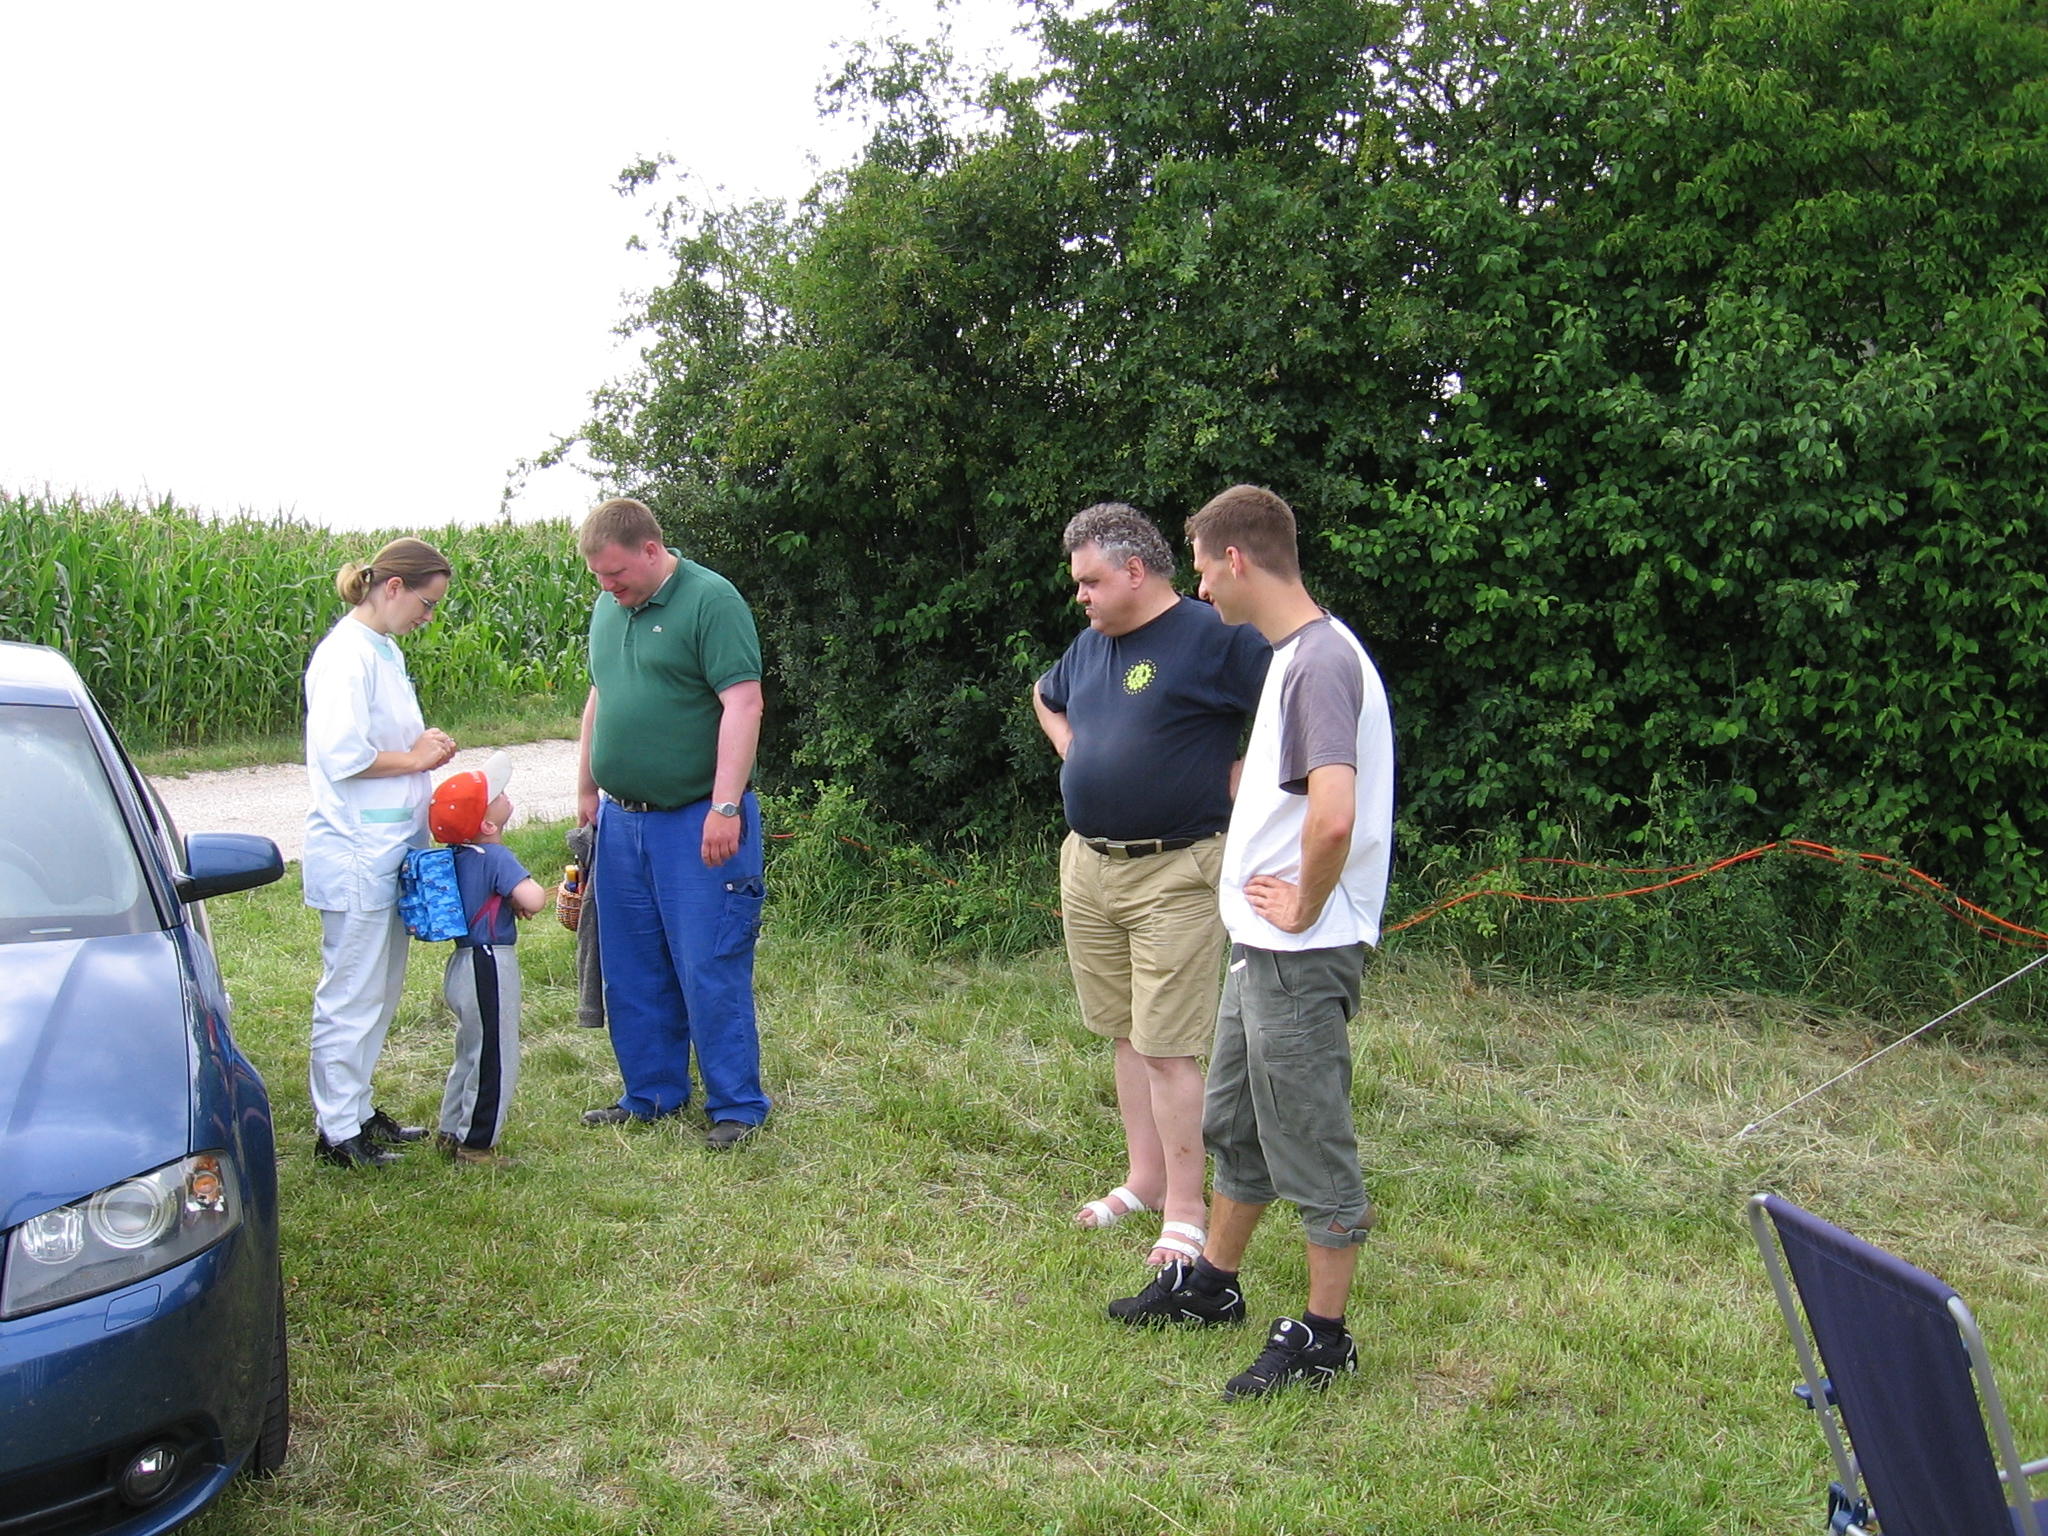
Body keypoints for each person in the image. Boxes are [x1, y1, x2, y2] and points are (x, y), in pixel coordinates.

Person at [1107, 484, 1394, 1402]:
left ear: (1236, 559)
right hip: (1260, 946)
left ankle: (1325, 1338)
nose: (1200, 591)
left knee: (1309, 1136)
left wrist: (1306, 903)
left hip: (1299, 954)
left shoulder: (1320, 664)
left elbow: (1335, 814)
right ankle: (1214, 1287)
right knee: (1236, 1121)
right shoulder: (1295, 657)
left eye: (1201, 570)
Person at [1033, 503, 1268, 1267]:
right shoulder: (1089, 645)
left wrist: (1246, 776)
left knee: (1168, 1047)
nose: (1080, 595)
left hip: (1176, 871)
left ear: (1135, 570)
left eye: (1090, 580)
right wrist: (1075, 752)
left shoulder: (1216, 636)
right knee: (1126, 1034)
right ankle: (1145, 1180)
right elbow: (1045, 695)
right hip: (1089, 865)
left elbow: (1299, 705)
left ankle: (1188, 1212)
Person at [574, 498, 770, 1150]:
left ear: (652, 551)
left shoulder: (712, 601)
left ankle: (736, 1106)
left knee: (709, 964)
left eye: (617, 574)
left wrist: (725, 805)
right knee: (631, 968)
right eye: (599, 577)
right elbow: (600, 695)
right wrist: (587, 787)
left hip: (695, 820)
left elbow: (744, 703)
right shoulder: (609, 608)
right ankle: (651, 1094)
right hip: (622, 823)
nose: (609, 587)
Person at [302, 537, 459, 1169]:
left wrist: (424, 744)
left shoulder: (383, 650)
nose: (428, 616)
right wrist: (416, 758)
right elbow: (344, 755)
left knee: (381, 989)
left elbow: (387, 739)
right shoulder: (345, 656)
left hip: (390, 845)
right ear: (393, 587)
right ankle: (337, 1132)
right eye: (426, 603)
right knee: (352, 992)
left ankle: (360, 1110)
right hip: (355, 849)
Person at [428, 751, 547, 1168]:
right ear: (488, 825)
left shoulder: (457, 856)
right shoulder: (496, 856)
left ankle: (451, 1128)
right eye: (496, 796)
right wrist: (526, 893)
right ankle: (476, 1144)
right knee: (496, 1054)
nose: (503, 794)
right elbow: (534, 898)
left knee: (470, 1049)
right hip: (490, 963)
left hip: (462, 962)